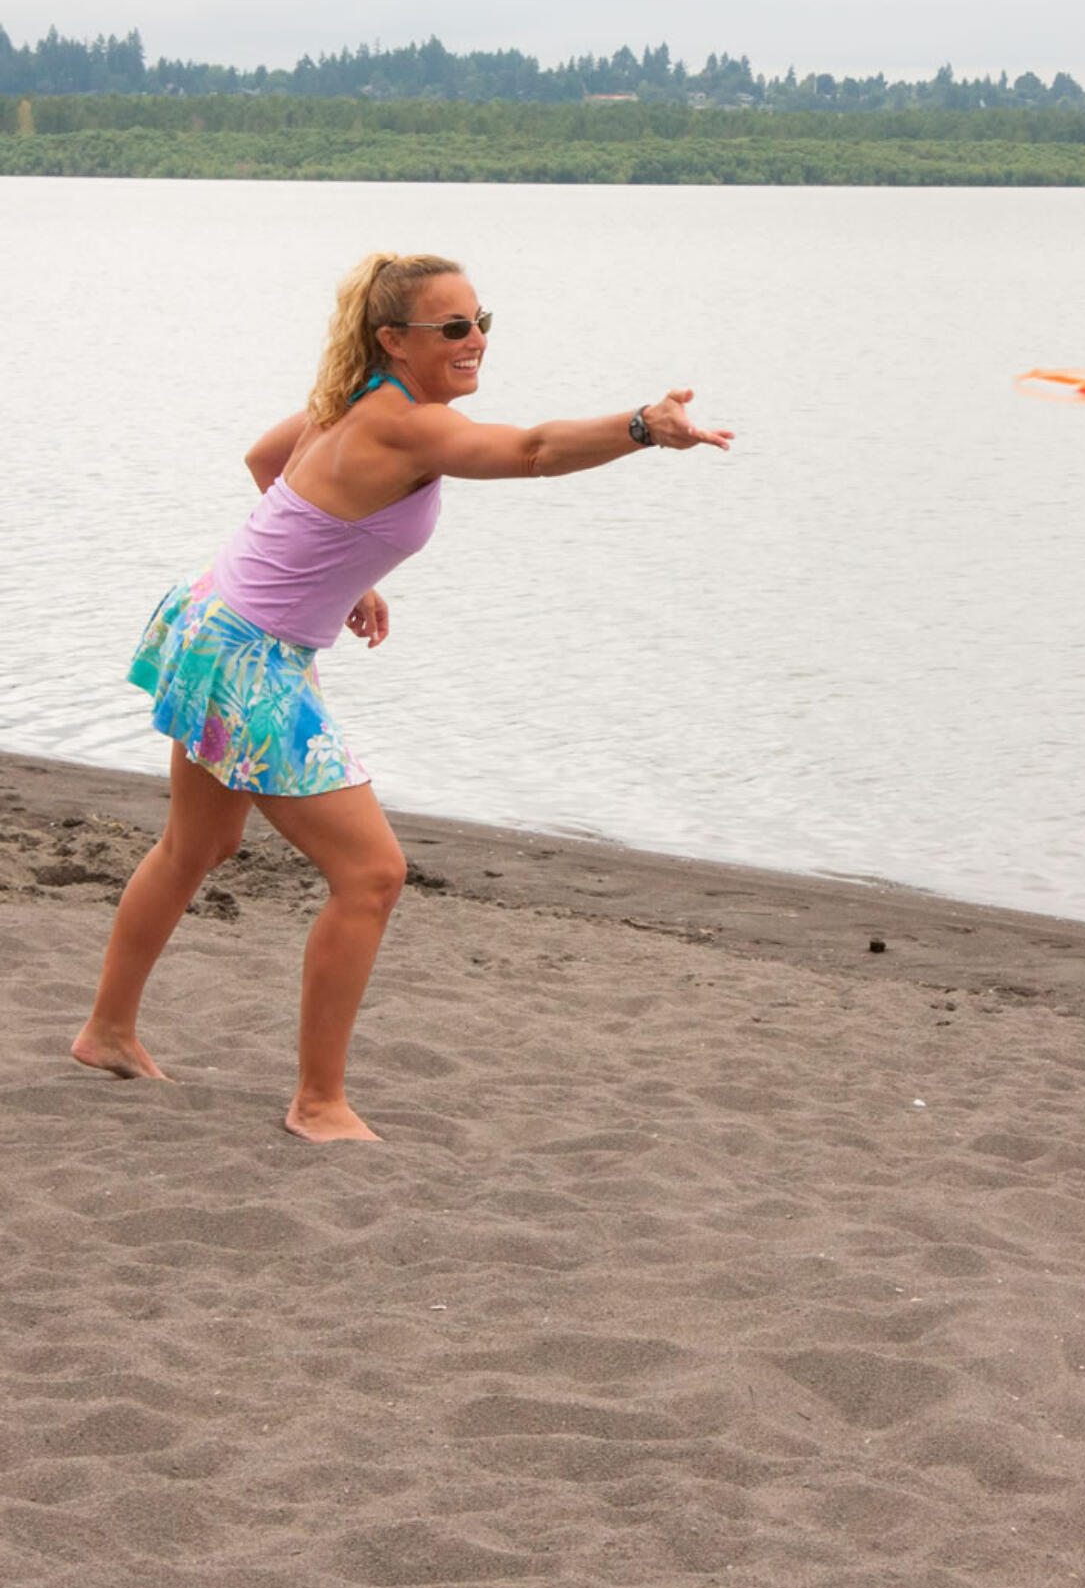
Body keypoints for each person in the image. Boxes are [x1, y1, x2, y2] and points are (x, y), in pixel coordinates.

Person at [72, 251, 733, 1142]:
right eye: (452, 328)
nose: (475, 342)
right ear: (396, 338)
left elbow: (268, 460)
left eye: (481, 322)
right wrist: (645, 426)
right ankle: (318, 1102)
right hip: (249, 659)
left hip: (211, 621)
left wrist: (343, 569)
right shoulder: (407, 428)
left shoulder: (350, 395)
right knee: (372, 873)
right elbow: (533, 450)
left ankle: (107, 1031)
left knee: (198, 843)